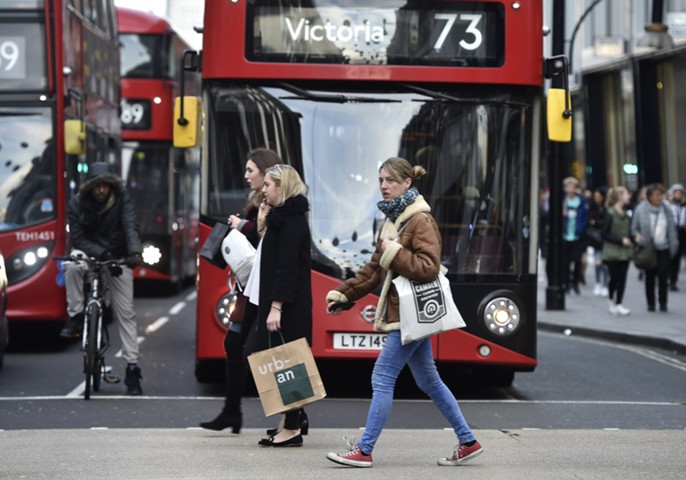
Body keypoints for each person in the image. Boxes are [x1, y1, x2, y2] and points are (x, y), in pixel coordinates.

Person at [325, 157, 482, 468]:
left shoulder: (421, 221)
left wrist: (395, 251)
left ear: (407, 183)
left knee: (382, 377)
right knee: (429, 381)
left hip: (409, 314)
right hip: (408, 313)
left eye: (390, 181)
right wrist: (344, 294)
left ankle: (364, 450)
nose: (383, 186)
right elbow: (373, 271)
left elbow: (428, 267)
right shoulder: (394, 220)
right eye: (381, 180)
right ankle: (468, 441)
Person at [199, 148, 282, 433]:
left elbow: (273, 238)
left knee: (267, 350)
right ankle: (233, 412)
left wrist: (243, 225)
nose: (246, 176)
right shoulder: (257, 201)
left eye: (251, 171)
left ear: (266, 171)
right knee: (242, 346)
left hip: (263, 290)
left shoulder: (273, 202)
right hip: (251, 289)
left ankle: (292, 416)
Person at [242, 163, 312, 448]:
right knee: (279, 361)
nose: (264, 189)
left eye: (269, 185)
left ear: (282, 187)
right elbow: (268, 258)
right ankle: (289, 422)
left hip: (286, 306)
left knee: (288, 364)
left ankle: (292, 427)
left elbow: (286, 268)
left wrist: (276, 307)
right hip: (276, 302)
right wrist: (261, 226)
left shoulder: (291, 221)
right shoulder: (279, 217)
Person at [59, 162, 144, 395]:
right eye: (97, 186)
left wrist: (134, 254)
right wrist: (102, 254)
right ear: (90, 187)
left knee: (126, 312)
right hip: (90, 251)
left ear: (111, 185)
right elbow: (77, 238)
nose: (101, 191)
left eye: (105, 186)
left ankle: (132, 368)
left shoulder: (122, 198)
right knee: (72, 266)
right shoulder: (77, 203)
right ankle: (75, 315)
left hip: (119, 254)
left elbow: (129, 226)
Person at [631, 184, 678, 312]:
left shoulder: (666, 209)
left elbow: (672, 229)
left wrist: (674, 245)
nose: (660, 198)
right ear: (649, 197)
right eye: (657, 195)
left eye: (661, 195)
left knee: (663, 275)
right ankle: (651, 303)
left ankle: (663, 302)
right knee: (650, 276)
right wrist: (637, 237)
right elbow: (634, 228)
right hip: (648, 248)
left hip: (664, 247)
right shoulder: (640, 210)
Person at [601, 186, 633, 316]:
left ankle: (619, 303)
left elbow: (629, 231)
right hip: (612, 251)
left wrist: (633, 237)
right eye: (626, 194)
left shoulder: (627, 213)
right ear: (620, 197)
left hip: (625, 251)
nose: (629, 196)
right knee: (614, 277)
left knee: (623, 278)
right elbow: (604, 233)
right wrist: (620, 240)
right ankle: (611, 300)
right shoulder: (610, 213)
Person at [561, 177, 588, 294]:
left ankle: (575, 282)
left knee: (577, 260)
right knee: (566, 262)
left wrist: (581, 230)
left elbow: (584, 218)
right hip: (566, 234)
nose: (570, 189)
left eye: (572, 186)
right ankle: (566, 283)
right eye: (568, 186)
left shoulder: (581, 201)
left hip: (577, 235)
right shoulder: (563, 201)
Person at [587, 188, 609, 296]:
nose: (597, 198)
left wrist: (597, 222)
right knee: (598, 262)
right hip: (596, 239)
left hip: (606, 239)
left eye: (599, 196)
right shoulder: (592, 207)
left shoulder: (606, 208)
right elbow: (591, 221)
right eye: (595, 196)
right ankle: (598, 283)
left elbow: (604, 222)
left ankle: (605, 283)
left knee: (605, 263)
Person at [667, 183, 686, 291]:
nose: (678, 195)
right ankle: (670, 278)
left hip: (682, 233)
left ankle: (673, 281)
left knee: (678, 258)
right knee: (671, 257)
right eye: (676, 193)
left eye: (680, 193)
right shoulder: (669, 205)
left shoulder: (684, 206)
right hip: (672, 232)